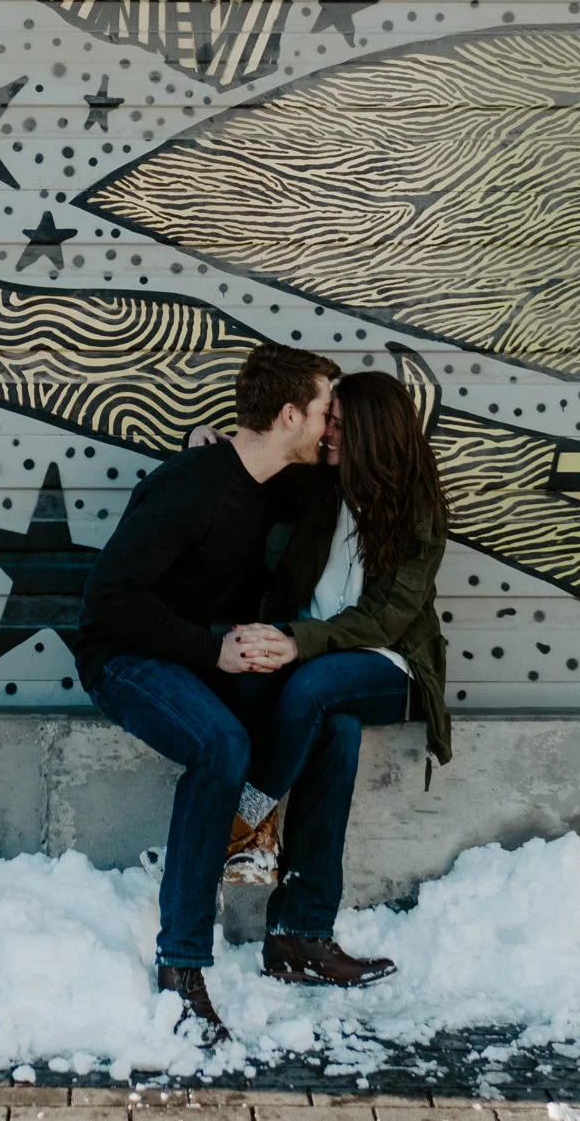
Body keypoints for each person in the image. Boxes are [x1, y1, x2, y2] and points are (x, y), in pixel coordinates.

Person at [72, 341, 351, 1049]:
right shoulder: (190, 484)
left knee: (330, 711)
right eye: (324, 412)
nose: (329, 426)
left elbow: (332, 486)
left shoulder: (268, 477)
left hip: (205, 650)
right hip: (128, 658)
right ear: (290, 414)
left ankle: (298, 930)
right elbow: (110, 597)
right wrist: (211, 649)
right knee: (219, 744)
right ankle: (182, 966)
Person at [223, 370, 454, 983]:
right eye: (330, 422)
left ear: (375, 435)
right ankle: (297, 938)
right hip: (313, 656)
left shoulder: (419, 508)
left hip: (388, 664)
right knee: (336, 728)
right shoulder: (321, 485)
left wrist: (298, 642)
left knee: (316, 689)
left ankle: (238, 829)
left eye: (342, 427)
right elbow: (250, 473)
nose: (328, 436)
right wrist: (207, 444)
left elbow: (384, 619)